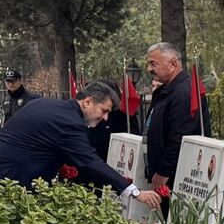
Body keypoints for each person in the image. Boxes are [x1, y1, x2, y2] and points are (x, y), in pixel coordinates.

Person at [0, 80, 162, 210]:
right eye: (104, 111)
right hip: (13, 183)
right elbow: (90, 161)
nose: (105, 118)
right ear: (88, 102)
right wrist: (134, 191)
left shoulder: (44, 104)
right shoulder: (71, 122)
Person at [143, 42, 210, 209]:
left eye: (153, 63)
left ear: (173, 64)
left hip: (176, 174)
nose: (149, 69)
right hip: (162, 171)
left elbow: (179, 136)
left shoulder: (184, 92)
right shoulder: (163, 91)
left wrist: (164, 171)